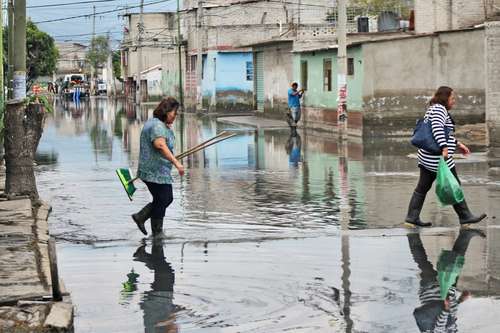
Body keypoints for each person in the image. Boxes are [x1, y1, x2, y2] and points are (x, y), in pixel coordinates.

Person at [405, 86, 486, 227]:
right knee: (454, 184)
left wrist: (458, 144)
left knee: (423, 186)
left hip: (427, 157)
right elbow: (437, 129)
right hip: (437, 157)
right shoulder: (439, 109)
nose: (454, 101)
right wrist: (444, 148)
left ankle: (412, 218)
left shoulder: (434, 108)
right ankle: (465, 216)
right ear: (445, 98)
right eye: (452, 98)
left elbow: (441, 132)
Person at [408, 229, 485, 332]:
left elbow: (440, 326)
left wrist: (446, 309)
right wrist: (460, 300)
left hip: (433, 293)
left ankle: (412, 236)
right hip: (447, 295)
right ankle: (465, 235)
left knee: (424, 263)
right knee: (454, 263)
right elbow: (451, 319)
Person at [132, 97, 185, 237]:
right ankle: (148, 224)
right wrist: (177, 163)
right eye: (174, 112)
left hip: (155, 171)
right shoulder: (157, 126)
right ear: (166, 111)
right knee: (164, 199)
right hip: (155, 172)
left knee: (163, 199)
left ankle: (153, 228)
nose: (175, 115)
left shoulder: (156, 123)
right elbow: (160, 145)